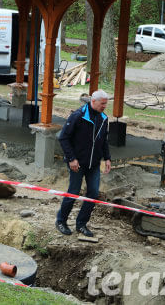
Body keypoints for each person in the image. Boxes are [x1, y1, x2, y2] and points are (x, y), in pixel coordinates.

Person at [55, 89, 112, 237]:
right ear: (93, 101)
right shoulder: (78, 116)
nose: (104, 106)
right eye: (102, 104)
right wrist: (71, 159)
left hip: (93, 164)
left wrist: (107, 158)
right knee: (73, 192)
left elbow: (103, 141)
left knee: (92, 193)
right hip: (77, 163)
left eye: (106, 104)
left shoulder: (103, 119)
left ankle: (81, 224)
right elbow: (63, 138)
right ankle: (61, 221)